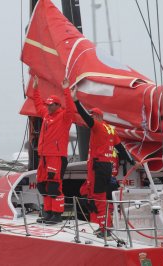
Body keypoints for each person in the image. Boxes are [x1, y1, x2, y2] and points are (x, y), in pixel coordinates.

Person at [71, 89, 135, 238]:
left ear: (98, 116)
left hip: (97, 165)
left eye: (93, 115)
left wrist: (75, 101)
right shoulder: (111, 130)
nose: (91, 117)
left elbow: (85, 117)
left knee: (97, 198)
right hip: (106, 167)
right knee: (99, 198)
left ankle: (103, 228)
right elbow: (121, 149)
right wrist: (131, 161)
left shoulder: (98, 126)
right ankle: (104, 226)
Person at [32, 76, 75, 225]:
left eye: (51, 105)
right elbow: (38, 104)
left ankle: (57, 214)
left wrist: (66, 90)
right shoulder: (46, 115)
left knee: (54, 186)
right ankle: (48, 213)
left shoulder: (64, 117)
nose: (48, 107)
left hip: (56, 156)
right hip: (43, 156)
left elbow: (71, 108)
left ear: (58, 105)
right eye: (48, 105)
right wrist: (35, 88)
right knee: (42, 185)